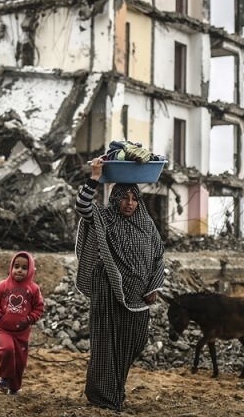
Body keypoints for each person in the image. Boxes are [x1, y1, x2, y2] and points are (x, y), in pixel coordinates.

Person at [74, 156, 166, 411]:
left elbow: (158, 256)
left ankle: (116, 390)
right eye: (124, 197)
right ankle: (103, 397)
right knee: (106, 345)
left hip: (138, 297)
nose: (130, 203)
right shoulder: (105, 218)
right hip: (107, 292)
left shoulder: (147, 225)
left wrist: (154, 286)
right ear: (115, 199)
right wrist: (95, 177)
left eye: (134, 198)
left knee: (132, 343)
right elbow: (82, 206)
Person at [0, 251, 45, 395]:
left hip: (22, 332)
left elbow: (39, 307)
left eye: (24, 268)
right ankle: (4, 378)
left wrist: (29, 319)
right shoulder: (3, 286)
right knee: (6, 350)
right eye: (17, 266)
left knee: (20, 361)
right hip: (4, 329)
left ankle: (14, 388)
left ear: (30, 270)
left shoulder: (33, 289)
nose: (19, 270)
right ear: (11, 267)